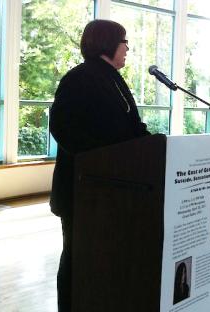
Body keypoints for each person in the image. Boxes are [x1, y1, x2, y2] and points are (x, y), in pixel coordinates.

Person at [49, 20, 150, 312]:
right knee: (76, 257)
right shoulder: (78, 78)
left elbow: (131, 127)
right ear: (107, 43)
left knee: (101, 257)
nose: (128, 47)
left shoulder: (114, 79)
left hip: (110, 188)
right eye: (124, 41)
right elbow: (61, 126)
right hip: (82, 188)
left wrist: (156, 143)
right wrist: (97, 157)